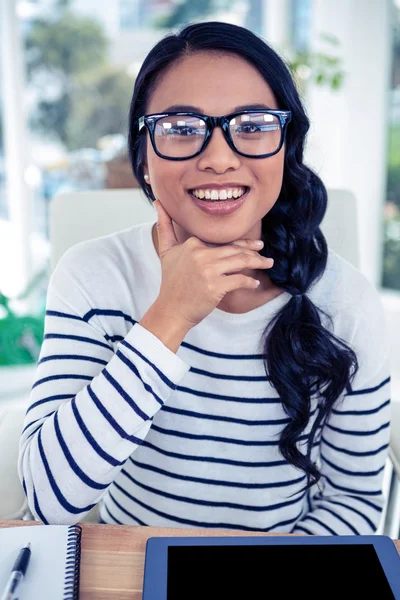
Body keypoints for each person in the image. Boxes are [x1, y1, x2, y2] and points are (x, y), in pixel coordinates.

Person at [18, 21, 391, 534]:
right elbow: (47, 501)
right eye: (180, 128)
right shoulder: (93, 276)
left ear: (287, 147)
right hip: (128, 568)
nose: (218, 159)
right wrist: (167, 318)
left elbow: (354, 503)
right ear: (144, 155)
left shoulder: (345, 303)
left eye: (253, 125)